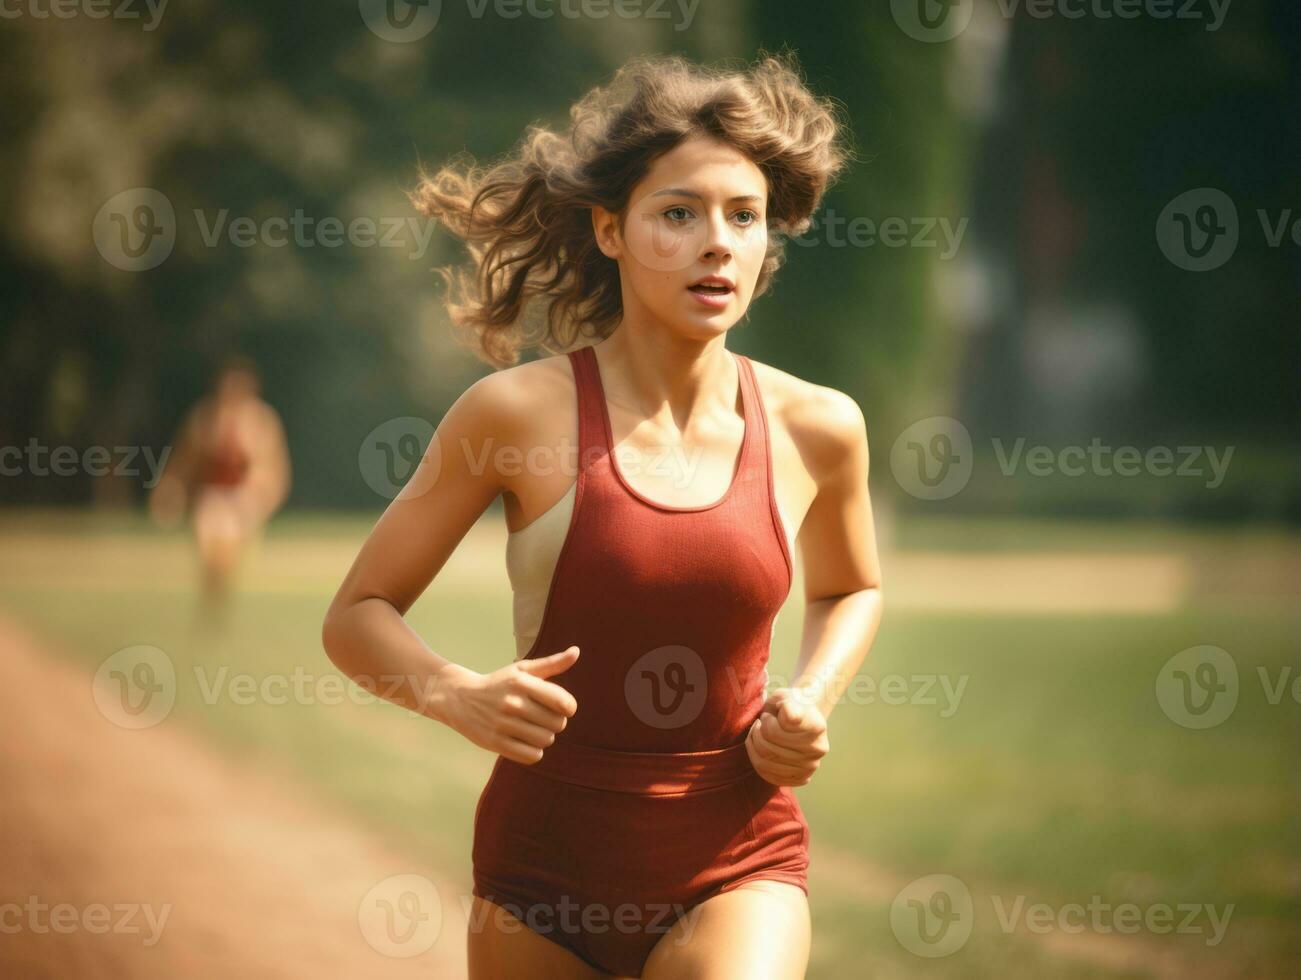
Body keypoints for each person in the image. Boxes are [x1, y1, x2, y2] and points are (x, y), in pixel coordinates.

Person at [323, 52, 883, 979]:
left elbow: (853, 584)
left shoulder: (820, 426)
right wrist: (457, 694)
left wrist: (811, 696)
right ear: (609, 230)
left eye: (743, 217)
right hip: (542, 873)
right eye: (679, 213)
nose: (718, 243)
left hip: (736, 858)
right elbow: (356, 616)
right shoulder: (510, 415)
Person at [150, 356, 291, 610]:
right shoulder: (205, 418)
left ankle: (220, 598)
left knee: (228, 554)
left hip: (243, 497)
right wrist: (170, 487)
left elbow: (273, 468)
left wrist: (262, 500)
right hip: (213, 495)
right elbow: (185, 459)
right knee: (207, 549)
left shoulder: (262, 422)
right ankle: (212, 598)